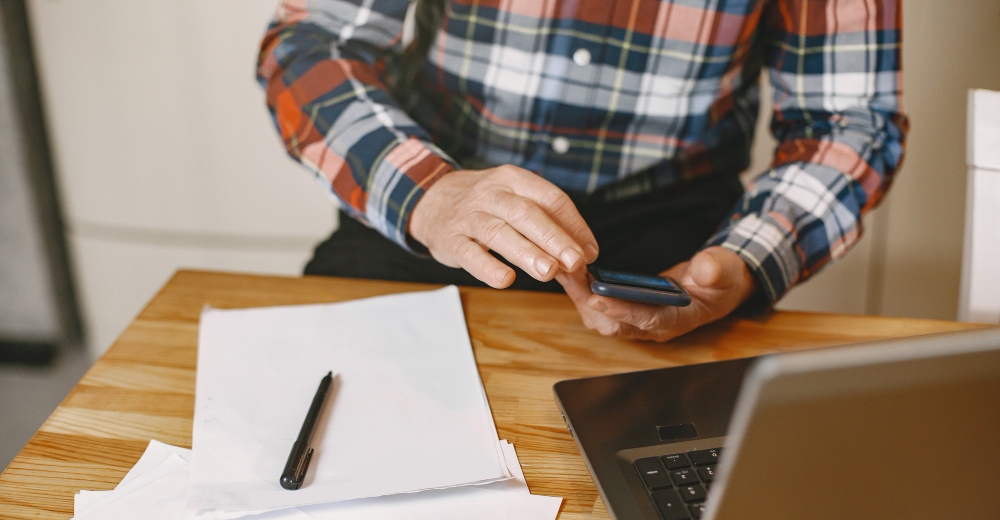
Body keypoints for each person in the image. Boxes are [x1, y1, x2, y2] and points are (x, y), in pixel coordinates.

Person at [257, 0, 906, 342]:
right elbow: (312, 42)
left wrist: (747, 261)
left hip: (676, 245)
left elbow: (848, 123)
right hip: (434, 205)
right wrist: (431, 194)